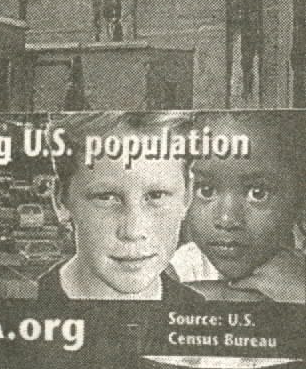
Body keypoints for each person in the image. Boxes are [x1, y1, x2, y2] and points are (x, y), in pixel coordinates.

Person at [37, 113, 202, 303]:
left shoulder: (198, 308)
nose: (133, 231)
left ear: (187, 196)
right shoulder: (27, 299)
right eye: (106, 197)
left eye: (156, 195)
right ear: (61, 201)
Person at [170, 112, 305, 304]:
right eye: (206, 190)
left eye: (257, 193)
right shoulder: (184, 266)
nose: (226, 219)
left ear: (300, 200)